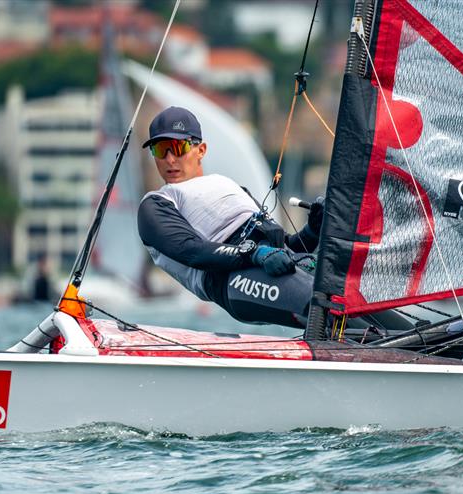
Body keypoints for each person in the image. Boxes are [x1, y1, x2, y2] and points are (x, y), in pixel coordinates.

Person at [137, 106, 324, 328]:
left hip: (265, 262)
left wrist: (312, 231)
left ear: (201, 150)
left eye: (178, 148)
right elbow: (191, 250)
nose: (169, 159)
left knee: (354, 301)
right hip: (230, 279)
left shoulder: (231, 186)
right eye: (160, 150)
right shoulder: (156, 204)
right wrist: (254, 254)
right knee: (328, 310)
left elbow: (284, 249)